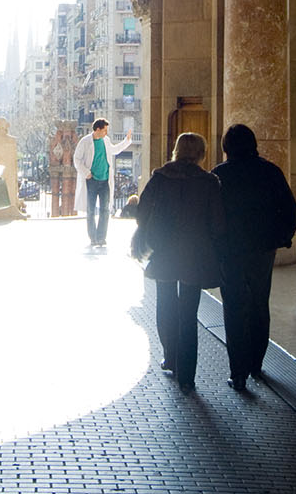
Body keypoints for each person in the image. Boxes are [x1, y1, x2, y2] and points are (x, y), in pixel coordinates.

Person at [134, 131, 223, 394]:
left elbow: (142, 212)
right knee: (188, 313)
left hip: (164, 252)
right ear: (201, 153)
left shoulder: (160, 177)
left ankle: (170, 357)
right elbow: (218, 223)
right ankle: (187, 374)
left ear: (176, 150)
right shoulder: (209, 182)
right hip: (195, 255)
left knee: (165, 304)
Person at [212, 122, 296, 392]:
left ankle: (238, 372)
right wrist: (281, 238)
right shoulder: (270, 172)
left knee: (234, 308)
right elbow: (290, 211)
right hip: (262, 249)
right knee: (260, 304)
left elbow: (211, 217)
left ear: (226, 147)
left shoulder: (219, 175)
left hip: (230, 252)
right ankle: (256, 364)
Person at [73, 117, 132, 248]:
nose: (106, 133)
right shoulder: (85, 142)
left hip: (105, 180)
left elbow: (114, 150)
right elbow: (77, 159)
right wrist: (86, 172)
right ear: (97, 129)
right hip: (91, 181)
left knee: (105, 210)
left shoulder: (106, 141)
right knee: (91, 210)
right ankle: (93, 237)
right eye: (105, 130)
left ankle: (101, 237)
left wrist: (127, 141)